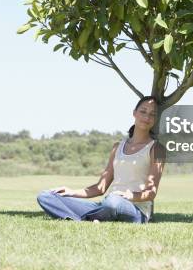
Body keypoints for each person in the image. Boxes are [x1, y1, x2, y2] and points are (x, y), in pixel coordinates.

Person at [36, 96, 166, 224]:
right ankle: (88, 218)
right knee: (46, 196)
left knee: (112, 202)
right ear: (134, 113)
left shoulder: (157, 149)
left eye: (152, 114)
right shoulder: (117, 147)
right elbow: (100, 188)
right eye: (143, 111)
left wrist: (131, 196)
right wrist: (71, 192)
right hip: (108, 204)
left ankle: (89, 218)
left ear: (155, 119)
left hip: (135, 210)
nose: (146, 117)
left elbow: (151, 192)